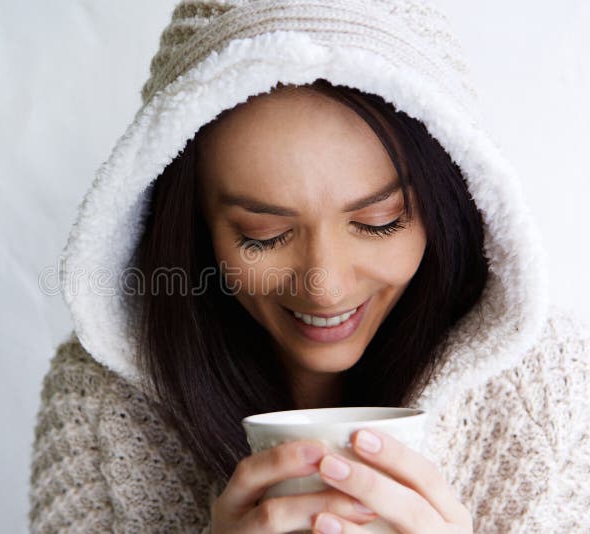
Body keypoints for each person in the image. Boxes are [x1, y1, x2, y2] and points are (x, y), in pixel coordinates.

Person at [29, 1, 590, 533]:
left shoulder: (548, 392)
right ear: (195, 224)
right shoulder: (102, 405)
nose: (325, 285)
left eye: (379, 222)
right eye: (263, 234)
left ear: (447, 205)